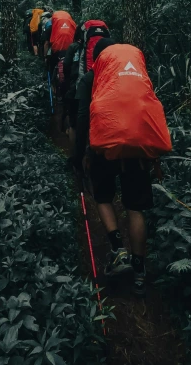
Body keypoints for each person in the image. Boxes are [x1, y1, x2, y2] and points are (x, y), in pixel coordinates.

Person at [74, 38, 170, 297]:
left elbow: (84, 117)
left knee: (103, 195)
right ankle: (139, 271)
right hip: (137, 147)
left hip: (105, 145)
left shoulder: (93, 78)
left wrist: (79, 154)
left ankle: (118, 250)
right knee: (134, 206)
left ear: (97, 59)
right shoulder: (134, 72)